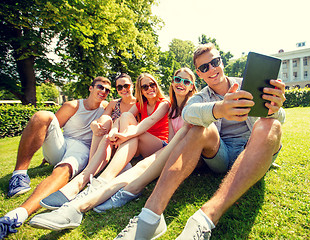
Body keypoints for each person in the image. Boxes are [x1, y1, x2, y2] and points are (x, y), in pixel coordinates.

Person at [113, 43, 286, 240]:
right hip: (222, 154)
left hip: (253, 150)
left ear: (221, 61)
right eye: (205, 68)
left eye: (215, 62)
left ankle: (205, 218)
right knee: (198, 127)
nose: (212, 69)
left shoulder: (249, 84)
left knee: (271, 126)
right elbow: (188, 113)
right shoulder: (201, 96)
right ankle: (151, 215)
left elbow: (281, 118)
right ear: (199, 73)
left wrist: (274, 106)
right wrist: (219, 109)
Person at [28, 68, 198, 231]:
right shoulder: (159, 105)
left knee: (132, 135)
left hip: (158, 145)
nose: (149, 88)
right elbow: (119, 118)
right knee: (121, 120)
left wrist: (126, 135)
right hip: (148, 143)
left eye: (152, 84)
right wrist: (115, 131)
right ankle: (91, 177)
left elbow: (150, 124)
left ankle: (97, 179)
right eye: (144, 86)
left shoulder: (166, 103)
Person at [0, 76, 111, 238]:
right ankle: (19, 176)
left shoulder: (106, 108)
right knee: (42, 116)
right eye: (100, 87)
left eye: (107, 90)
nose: (103, 92)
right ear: (91, 88)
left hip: (81, 150)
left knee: (63, 169)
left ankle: (18, 214)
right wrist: (49, 153)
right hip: (62, 145)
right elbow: (50, 129)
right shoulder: (72, 106)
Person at [38, 73, 136, 209]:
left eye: (126, 85)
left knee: (122, 119)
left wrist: (116, 130)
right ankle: (90, 171)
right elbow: (104, 117)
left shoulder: (139, 102)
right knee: (105, 122)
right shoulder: (114, 104)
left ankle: (88, 174)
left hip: (130, 142)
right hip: (113, 141)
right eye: (119, 87)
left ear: (133, 86)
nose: (123, 89)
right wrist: (95, 125)